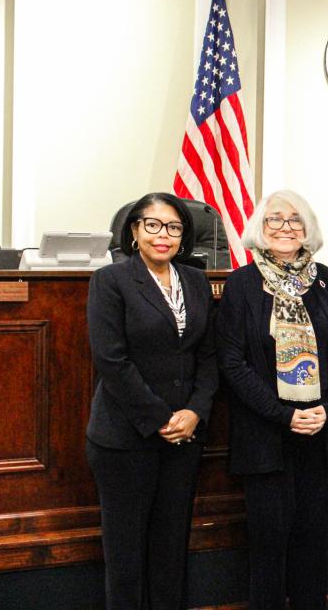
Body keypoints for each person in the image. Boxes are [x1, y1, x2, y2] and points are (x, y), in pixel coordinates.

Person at [215, 190, 328, 610]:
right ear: (261, 228)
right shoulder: (241, 283)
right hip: (265, 436)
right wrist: (284, 415)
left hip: (318, 432)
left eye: (295, 220)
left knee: (312, 544)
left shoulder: (326, 281)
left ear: (308, 230)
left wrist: (327, 409)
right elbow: (232, 362)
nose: (285, 228)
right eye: (275, 219)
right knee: (268, 545)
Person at [86, 192, 217, 610]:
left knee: (170, 551)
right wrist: (162, 418)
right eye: (153, 225)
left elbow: (208, 357)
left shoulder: (195, 280)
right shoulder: (111, 281)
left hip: (184, 438)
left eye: (174, 227)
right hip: (127, 438)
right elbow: (111, 360)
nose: (164, 235)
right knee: (126, 558)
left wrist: (195, 411)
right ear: (134, 231)